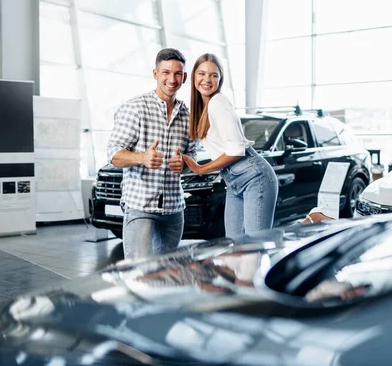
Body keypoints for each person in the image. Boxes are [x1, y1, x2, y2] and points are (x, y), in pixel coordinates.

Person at [106, 48, 196, 259]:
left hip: (174, 211)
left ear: (184, 77)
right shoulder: (135, 108)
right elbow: (113, 154)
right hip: (141, 208)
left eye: (177, 74)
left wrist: (182, 164)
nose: (171, 79)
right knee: (140, 275)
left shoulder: (187, 116)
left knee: (166, 277)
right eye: (165, 72)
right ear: (155, 74)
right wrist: (142, 157)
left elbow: (192, 156)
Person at [180, 53, 278, 239]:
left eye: (214, 75)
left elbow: (236, 150)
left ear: (220, 79)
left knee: (253, 248)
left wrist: (201, 169)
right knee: (236, 246)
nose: (207, 80)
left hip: (255, 177)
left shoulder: (218, 103)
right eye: (201, 74)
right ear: (193, 76)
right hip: (233, 181)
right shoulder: (202, 108)